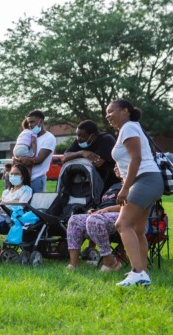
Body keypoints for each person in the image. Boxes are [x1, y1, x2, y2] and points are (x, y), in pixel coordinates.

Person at [107, 99, 163, 286]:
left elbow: (137, 158)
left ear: (125, 111)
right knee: (138, 230)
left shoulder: (129, 127)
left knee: (122, 224)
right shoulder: (131, 127)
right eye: (106, 113)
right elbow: (132, 158)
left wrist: (124, 188)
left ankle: (137, 272)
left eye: (111, 111)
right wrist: (121, 171)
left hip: (145, 180)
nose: (108, 116)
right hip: (149, 180)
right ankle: (143, 273)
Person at [66, 166, 124, 271]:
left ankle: (109, 262)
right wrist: (95, 211)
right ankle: (73, 264)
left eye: (118, 165)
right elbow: (104, 205)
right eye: (114, 166)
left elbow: (133, 207)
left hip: (122, 215)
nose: (115, 168)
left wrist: (108, 210)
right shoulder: (113, 186)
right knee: (74, 220)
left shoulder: (133, 185)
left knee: (95, 220)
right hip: (102, 214)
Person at [63, 120, 120, 192]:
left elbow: (97, 163)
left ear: (92, 136)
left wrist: (75, 160)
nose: (79, 138)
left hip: (108, 182)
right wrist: (81, 153)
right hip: (88, 182)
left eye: (82, 136)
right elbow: (64, 158)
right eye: (77, 135)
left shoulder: (106, 139)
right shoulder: (78, 141)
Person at [14, 110, 56, 193]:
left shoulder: (49, 138)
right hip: (23, 180)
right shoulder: (29, 136)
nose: (30, 125)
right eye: (28, 122)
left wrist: (21, 160)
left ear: (41, 121)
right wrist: (18, 159)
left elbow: (39, 159)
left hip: (37, 179)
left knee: (36, 205)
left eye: (32, 122)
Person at [0, 164, 34, 231]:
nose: (13, 176)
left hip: (10, 218)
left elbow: (20, 208)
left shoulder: (26, 190)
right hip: (0, 214)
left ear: (23, 176)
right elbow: (0, 208)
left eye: (16, 174)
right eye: (11, 174)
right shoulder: (6, 192)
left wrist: (4, 206)